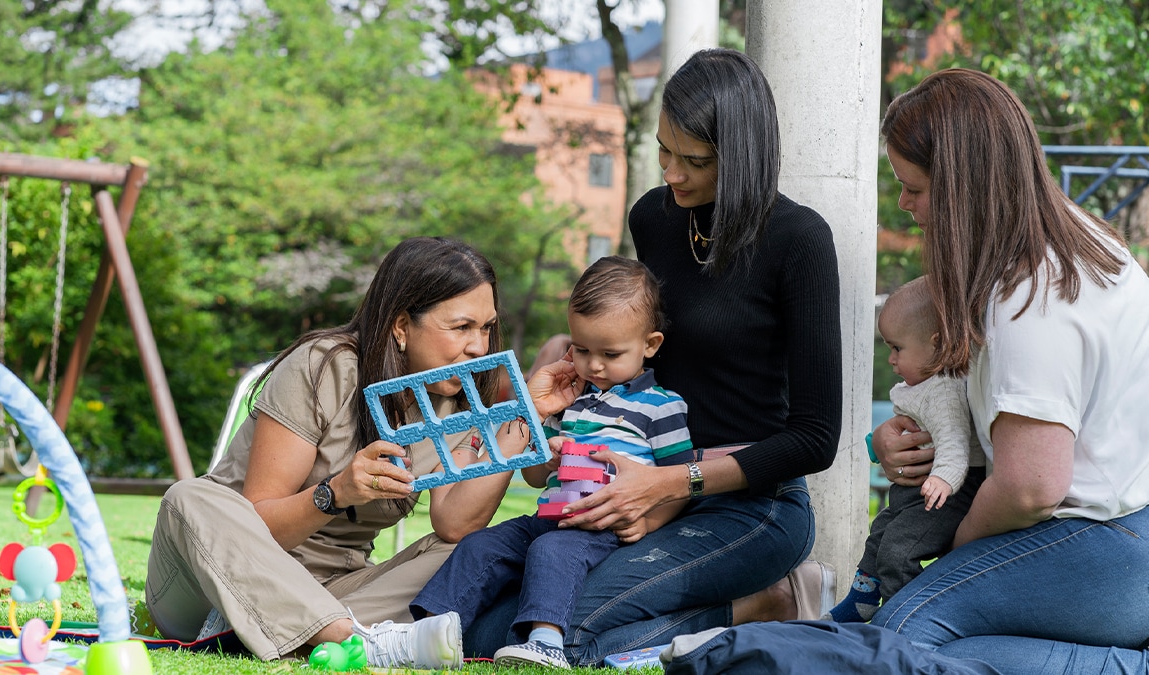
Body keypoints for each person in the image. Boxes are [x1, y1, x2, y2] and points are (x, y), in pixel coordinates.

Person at [660, 68, 1149, 674]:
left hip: (1102, 544)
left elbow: (1031, 486)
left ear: (961, 187)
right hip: (1114, 533)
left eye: (911, 187)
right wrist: (911, 436)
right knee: (909, 646)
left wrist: (957, 554)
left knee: (896, 635)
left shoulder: (1032, 296)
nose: (904, 203)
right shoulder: (1077, 240)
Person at [460, 48, 843, 667]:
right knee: (492, 628)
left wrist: (670, 482)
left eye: (694, 160)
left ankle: (769, 600)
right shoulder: (654, 219)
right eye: (665, 150)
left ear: (742, 156)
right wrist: (577, 365)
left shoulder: (799, 241)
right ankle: (737, 610)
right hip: (640, 489)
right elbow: (635, 344)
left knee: (560, 635)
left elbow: (816, 438)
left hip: (751, 505)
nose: (671, 172)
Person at [145, 237, 583, 669]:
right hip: (210, 583)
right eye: (462, 327)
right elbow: (261, 530)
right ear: (400, 327)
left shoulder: (456, 401)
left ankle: (326, 635)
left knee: (473, 550)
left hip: (337, 591)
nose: (478, 347)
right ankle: (351, 640)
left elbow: (455, 525)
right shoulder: (325, 365)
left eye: (486, 328)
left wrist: (528, 414)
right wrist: (337, 493)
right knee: (191, 498)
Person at [412, 256, 693, 669]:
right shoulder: (574, 402)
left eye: (610, 353)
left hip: (601, 524)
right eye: (581, 350)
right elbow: (533, 471)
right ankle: (425, 630)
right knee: (482, 544)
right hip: (550, 514)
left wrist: (649, 522)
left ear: (650, 345)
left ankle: (545, 641)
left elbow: (677, 479)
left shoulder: (661, 407)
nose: (593, 365)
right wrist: (550, 457)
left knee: (552, 550)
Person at [827, 276, 985, 623]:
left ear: (936, 344)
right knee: (879, 536)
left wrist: (943, 480)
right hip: (915, 490)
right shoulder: (922, 384)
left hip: (947, 493)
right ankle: (861, 600)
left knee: (899, 551)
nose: (891, 360)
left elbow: (955, 446)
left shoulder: (943, 391)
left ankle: (902, 617)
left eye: (897, 348)